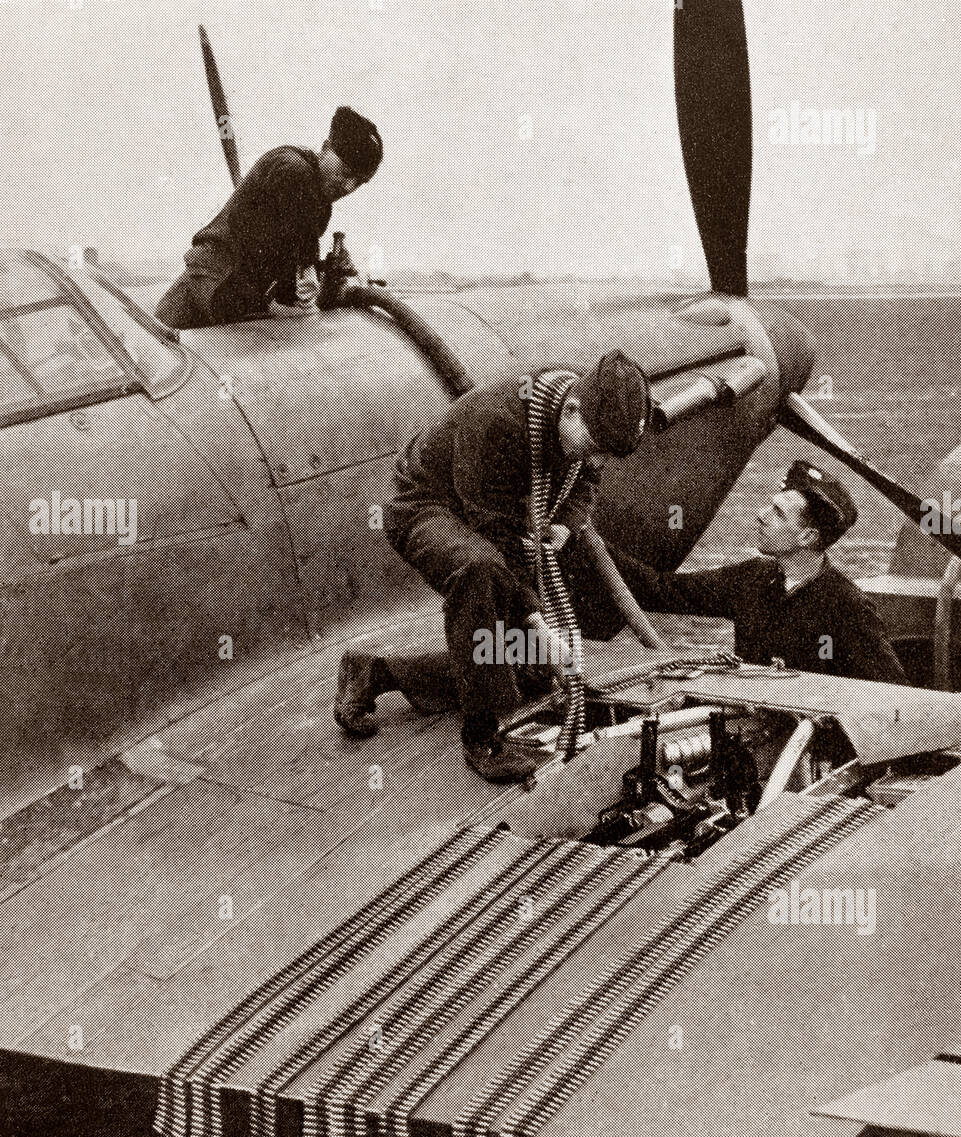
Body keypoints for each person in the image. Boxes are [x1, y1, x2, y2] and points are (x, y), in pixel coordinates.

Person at [335, 351, 652, 781]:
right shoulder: (499, 422)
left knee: (530, 671)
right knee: (479, 570)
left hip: (486, 517)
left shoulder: (574, 410)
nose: (598, 461)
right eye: (596, 448)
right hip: (428, 507)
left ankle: (376, 672)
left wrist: (565, 522)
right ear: (574, 410)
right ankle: (482, 738)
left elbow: (585, 477)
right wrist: (541, 624)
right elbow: (498, 540)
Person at [609, 460, 908, 684]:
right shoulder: (752, 577)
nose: (760, 516)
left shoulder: (846, 605)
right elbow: (660, 590)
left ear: (807, 537)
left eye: (777, 513)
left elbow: (894, 694)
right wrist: (583, 540)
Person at [155, 107, 382, 329]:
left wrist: (323, 274)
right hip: (213, 282)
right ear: (325, 147)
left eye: (359, 182)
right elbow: (287, 260)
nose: (349, 186)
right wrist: (304, 275)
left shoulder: (320, 204)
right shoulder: (294, 169)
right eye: (345, 172)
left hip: (230, 289)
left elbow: (291, 258)